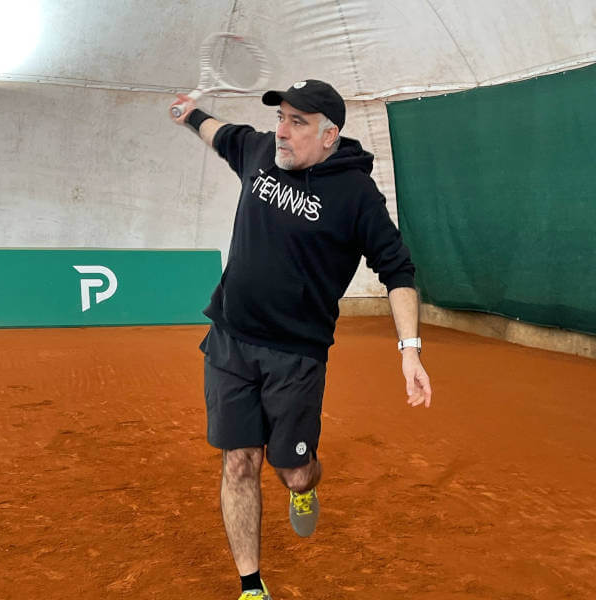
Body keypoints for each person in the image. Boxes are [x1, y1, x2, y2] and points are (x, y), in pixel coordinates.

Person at [170, 79, 432, 600]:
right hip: (232, 338)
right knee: (239, 460)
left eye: (297, 122)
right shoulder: (261, 150)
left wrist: (410, 351)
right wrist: (191, 114)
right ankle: (251, 585)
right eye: (281, 118)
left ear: (329, 135)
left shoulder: (355, 195)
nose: (282, 132)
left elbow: (398, 272)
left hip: (297, 356)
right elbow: (222, 135)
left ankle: (306, 484)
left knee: (291, 472)